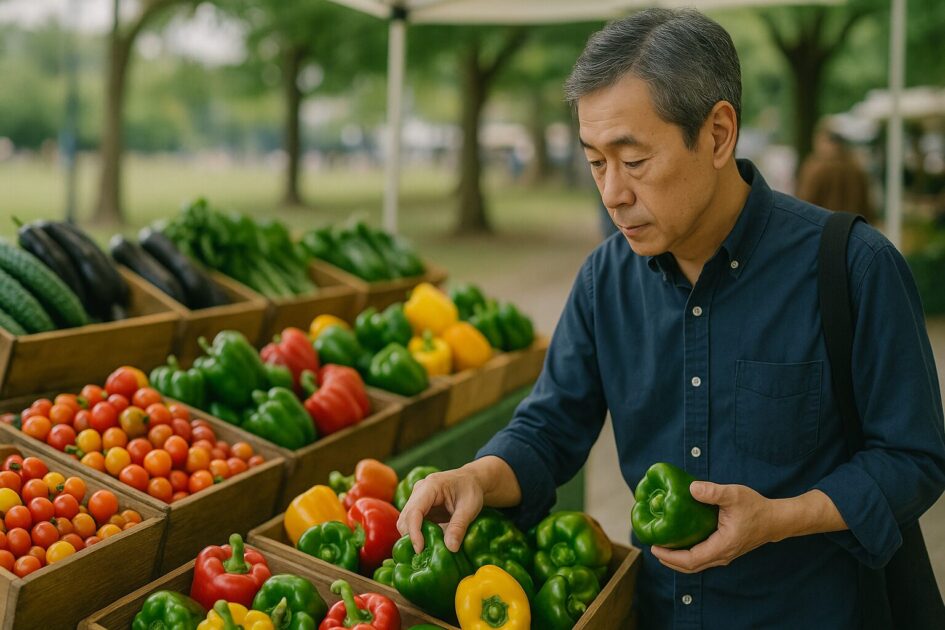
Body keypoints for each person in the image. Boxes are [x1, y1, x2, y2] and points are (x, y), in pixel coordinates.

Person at [397, 8, 945, 629]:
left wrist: (781, 518)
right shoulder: (604, 280)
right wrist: (475, 475)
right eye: (595, 162)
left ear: (717, 134)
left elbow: (913, 457)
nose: (612, 194)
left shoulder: (855, 268)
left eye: (633, 161)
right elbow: (549, 428)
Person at [796, 119, 875, 222]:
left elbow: (803, 205)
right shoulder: (856, 168)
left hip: (821, 231)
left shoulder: (815, 168)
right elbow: (867, 209)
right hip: (853, 230)